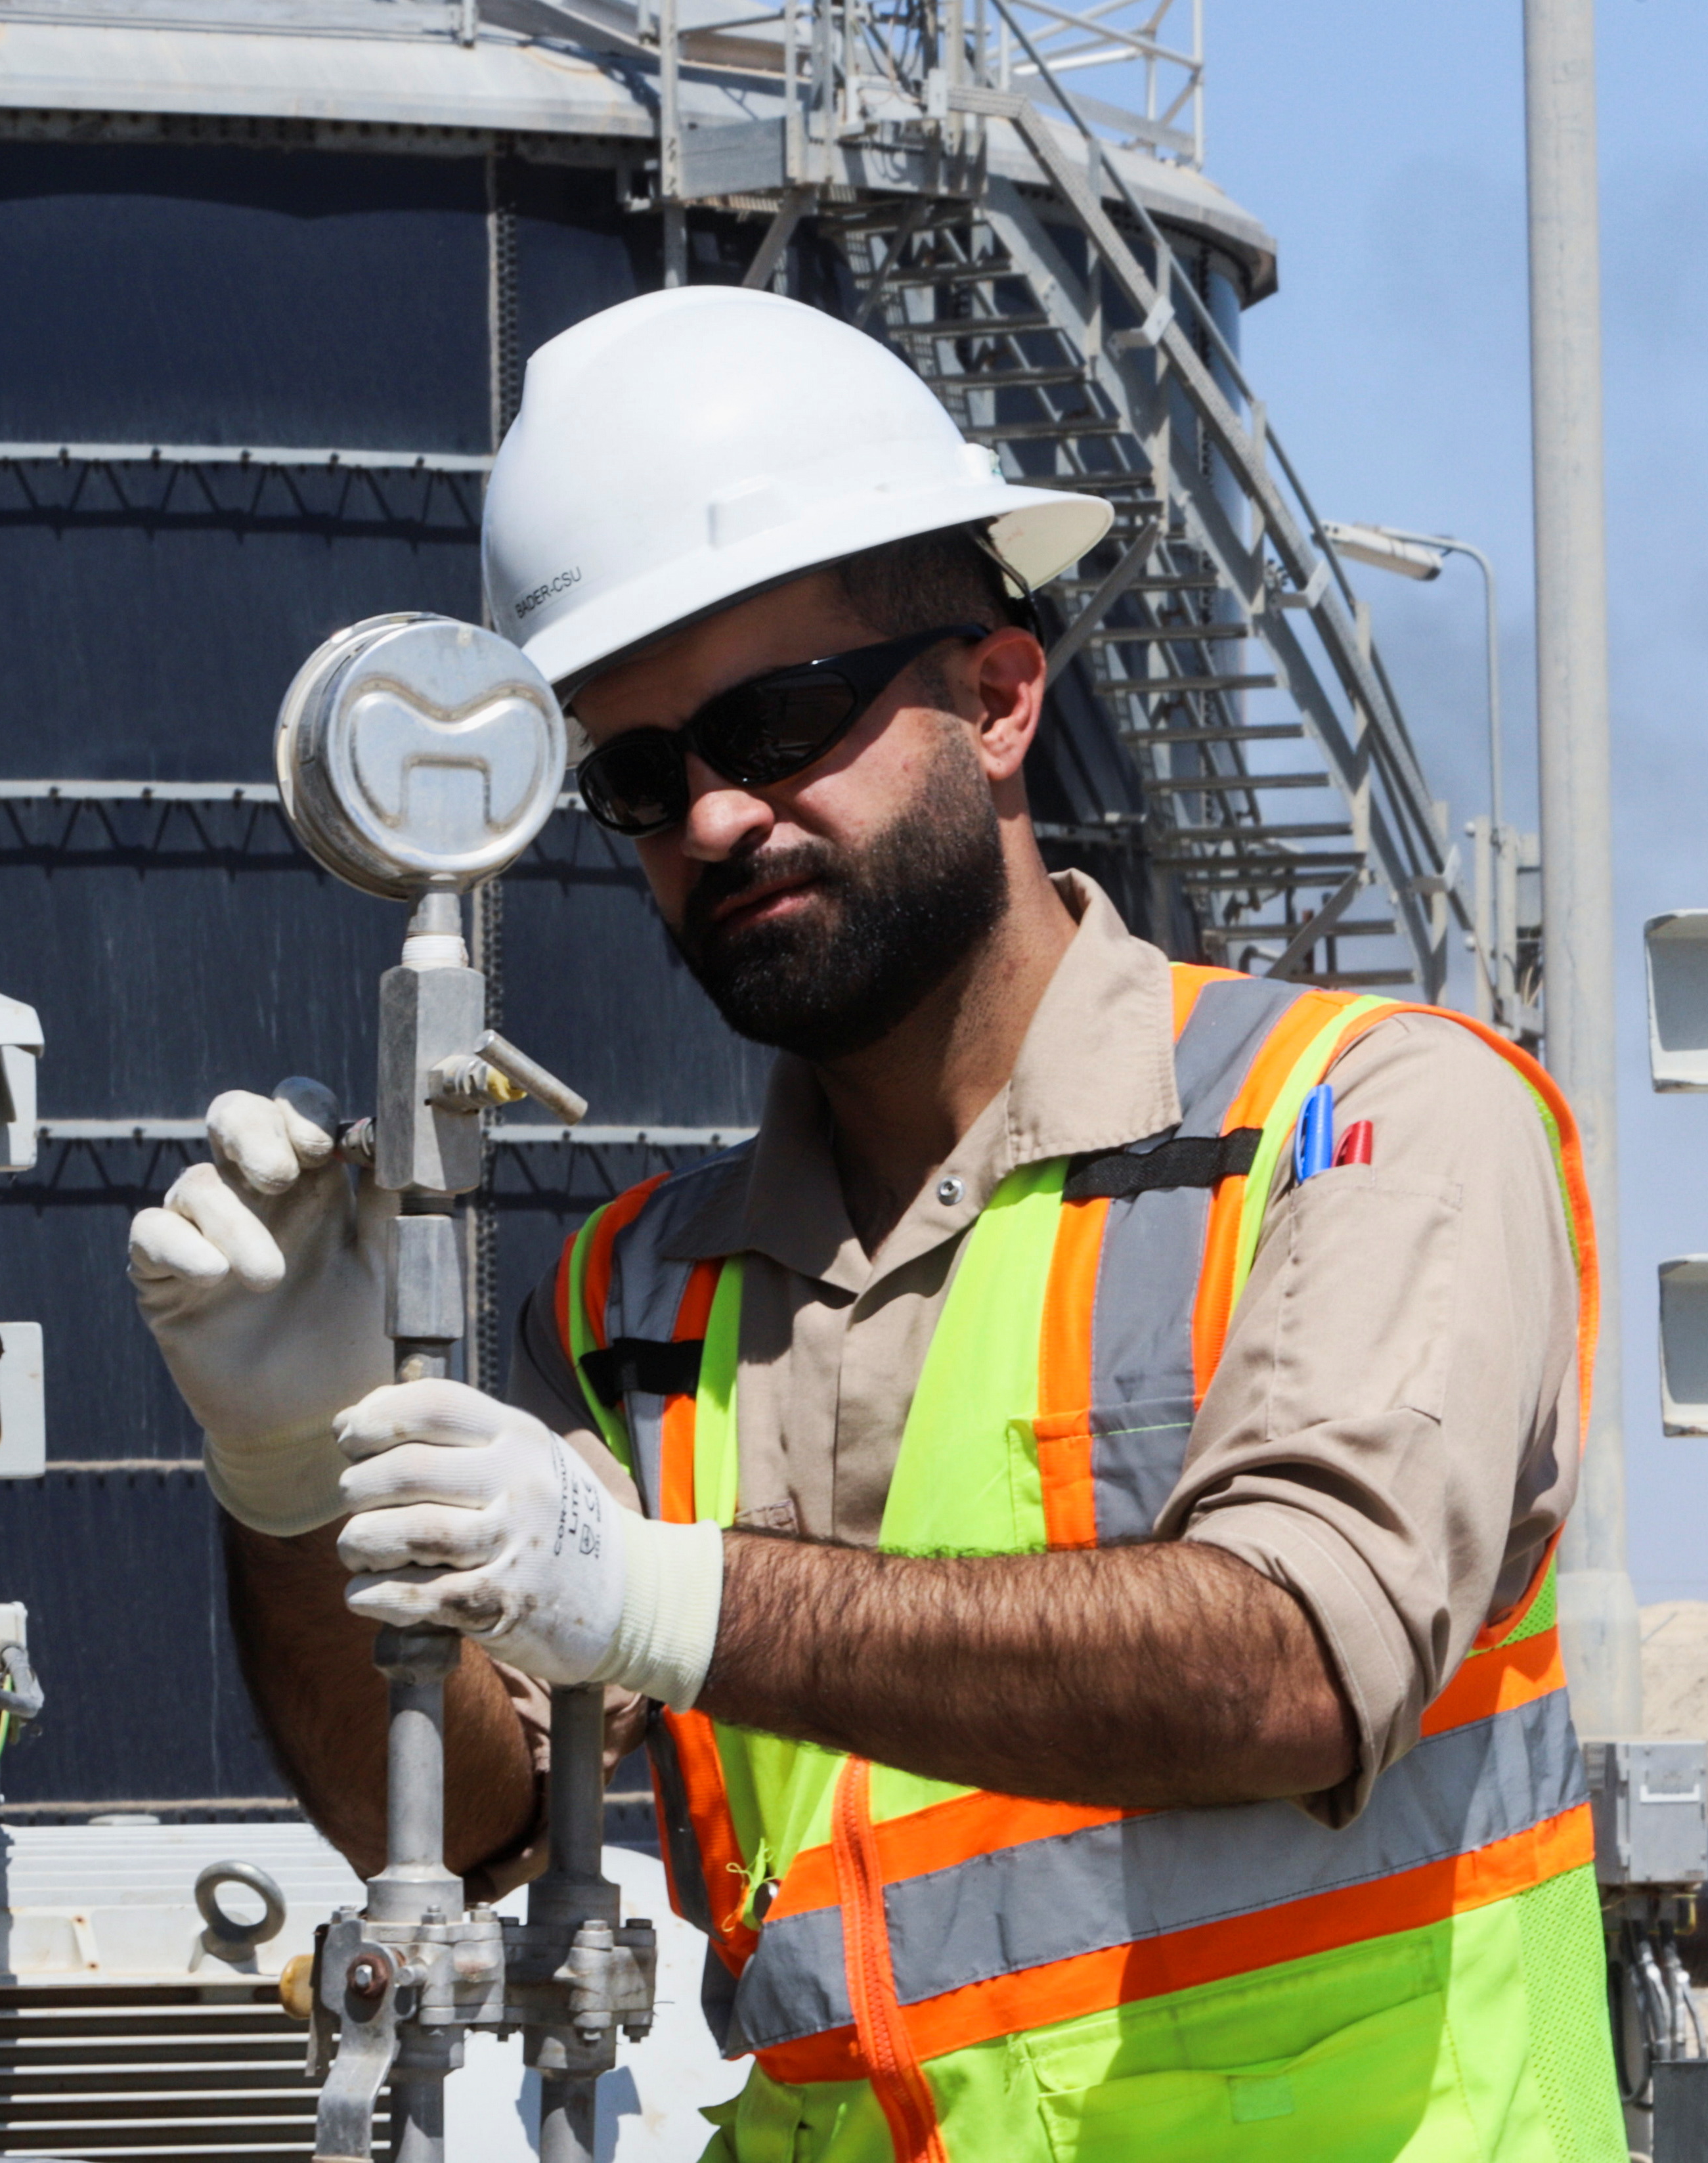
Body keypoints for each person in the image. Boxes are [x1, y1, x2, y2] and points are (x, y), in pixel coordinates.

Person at [125, 287, 1619, 2162]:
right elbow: (467, 1819)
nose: (721, 816)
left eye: (778, 720)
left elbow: (1299, 1664)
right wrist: (288, 1475)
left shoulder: (1351, 1124)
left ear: (999, 698)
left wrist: (655, 1591)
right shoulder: (635, 1301)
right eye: (642, 779)